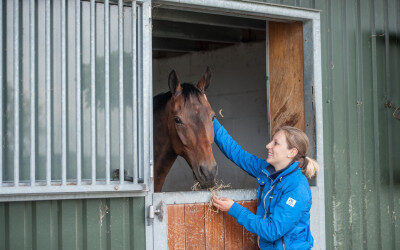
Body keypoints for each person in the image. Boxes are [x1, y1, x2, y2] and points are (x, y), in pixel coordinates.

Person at [212, 118, 318, 250]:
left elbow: (272, 231)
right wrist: (210, 119)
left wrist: (234, 208)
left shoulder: (297, 188)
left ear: (292, 152)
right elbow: (237, 154)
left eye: (276, 143)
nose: (268, 146)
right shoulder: (267, 170)